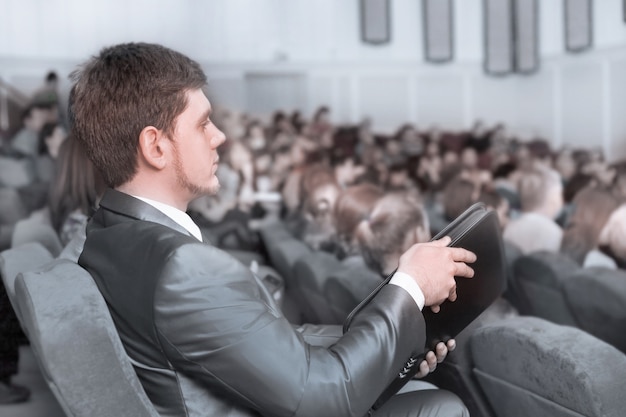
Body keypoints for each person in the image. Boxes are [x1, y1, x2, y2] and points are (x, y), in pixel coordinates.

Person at [70, 42, 475, 417]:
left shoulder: (110, 229)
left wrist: (394, 339)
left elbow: (260, 337)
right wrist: (411, 285)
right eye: (203, 124)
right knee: (442, 409)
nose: (219, 137)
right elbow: (321, 395)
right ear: (155, 146)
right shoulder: (183, 265)